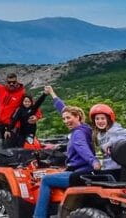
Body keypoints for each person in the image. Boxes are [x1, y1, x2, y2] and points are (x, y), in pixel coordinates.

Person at [35, 86, 101, 218]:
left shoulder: (77, 134)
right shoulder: (85, 128)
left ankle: (38, 216)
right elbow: (63, 110)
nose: (66, 121)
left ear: (78, 117)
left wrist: (93, 161)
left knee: (46, 180)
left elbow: (81, 147)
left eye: (68, 118)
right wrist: (53, 94)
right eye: (64, 119)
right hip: (85, 170)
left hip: (78, 172)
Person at [89, 103, 126, 179]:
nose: (100, 121)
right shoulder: (99, 135)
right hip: (106, 168)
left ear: (108, 119)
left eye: (103, 118)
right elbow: (101, 154)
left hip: (117, 169)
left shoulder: (115, 130)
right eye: (97, 119)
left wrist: (110, 143)